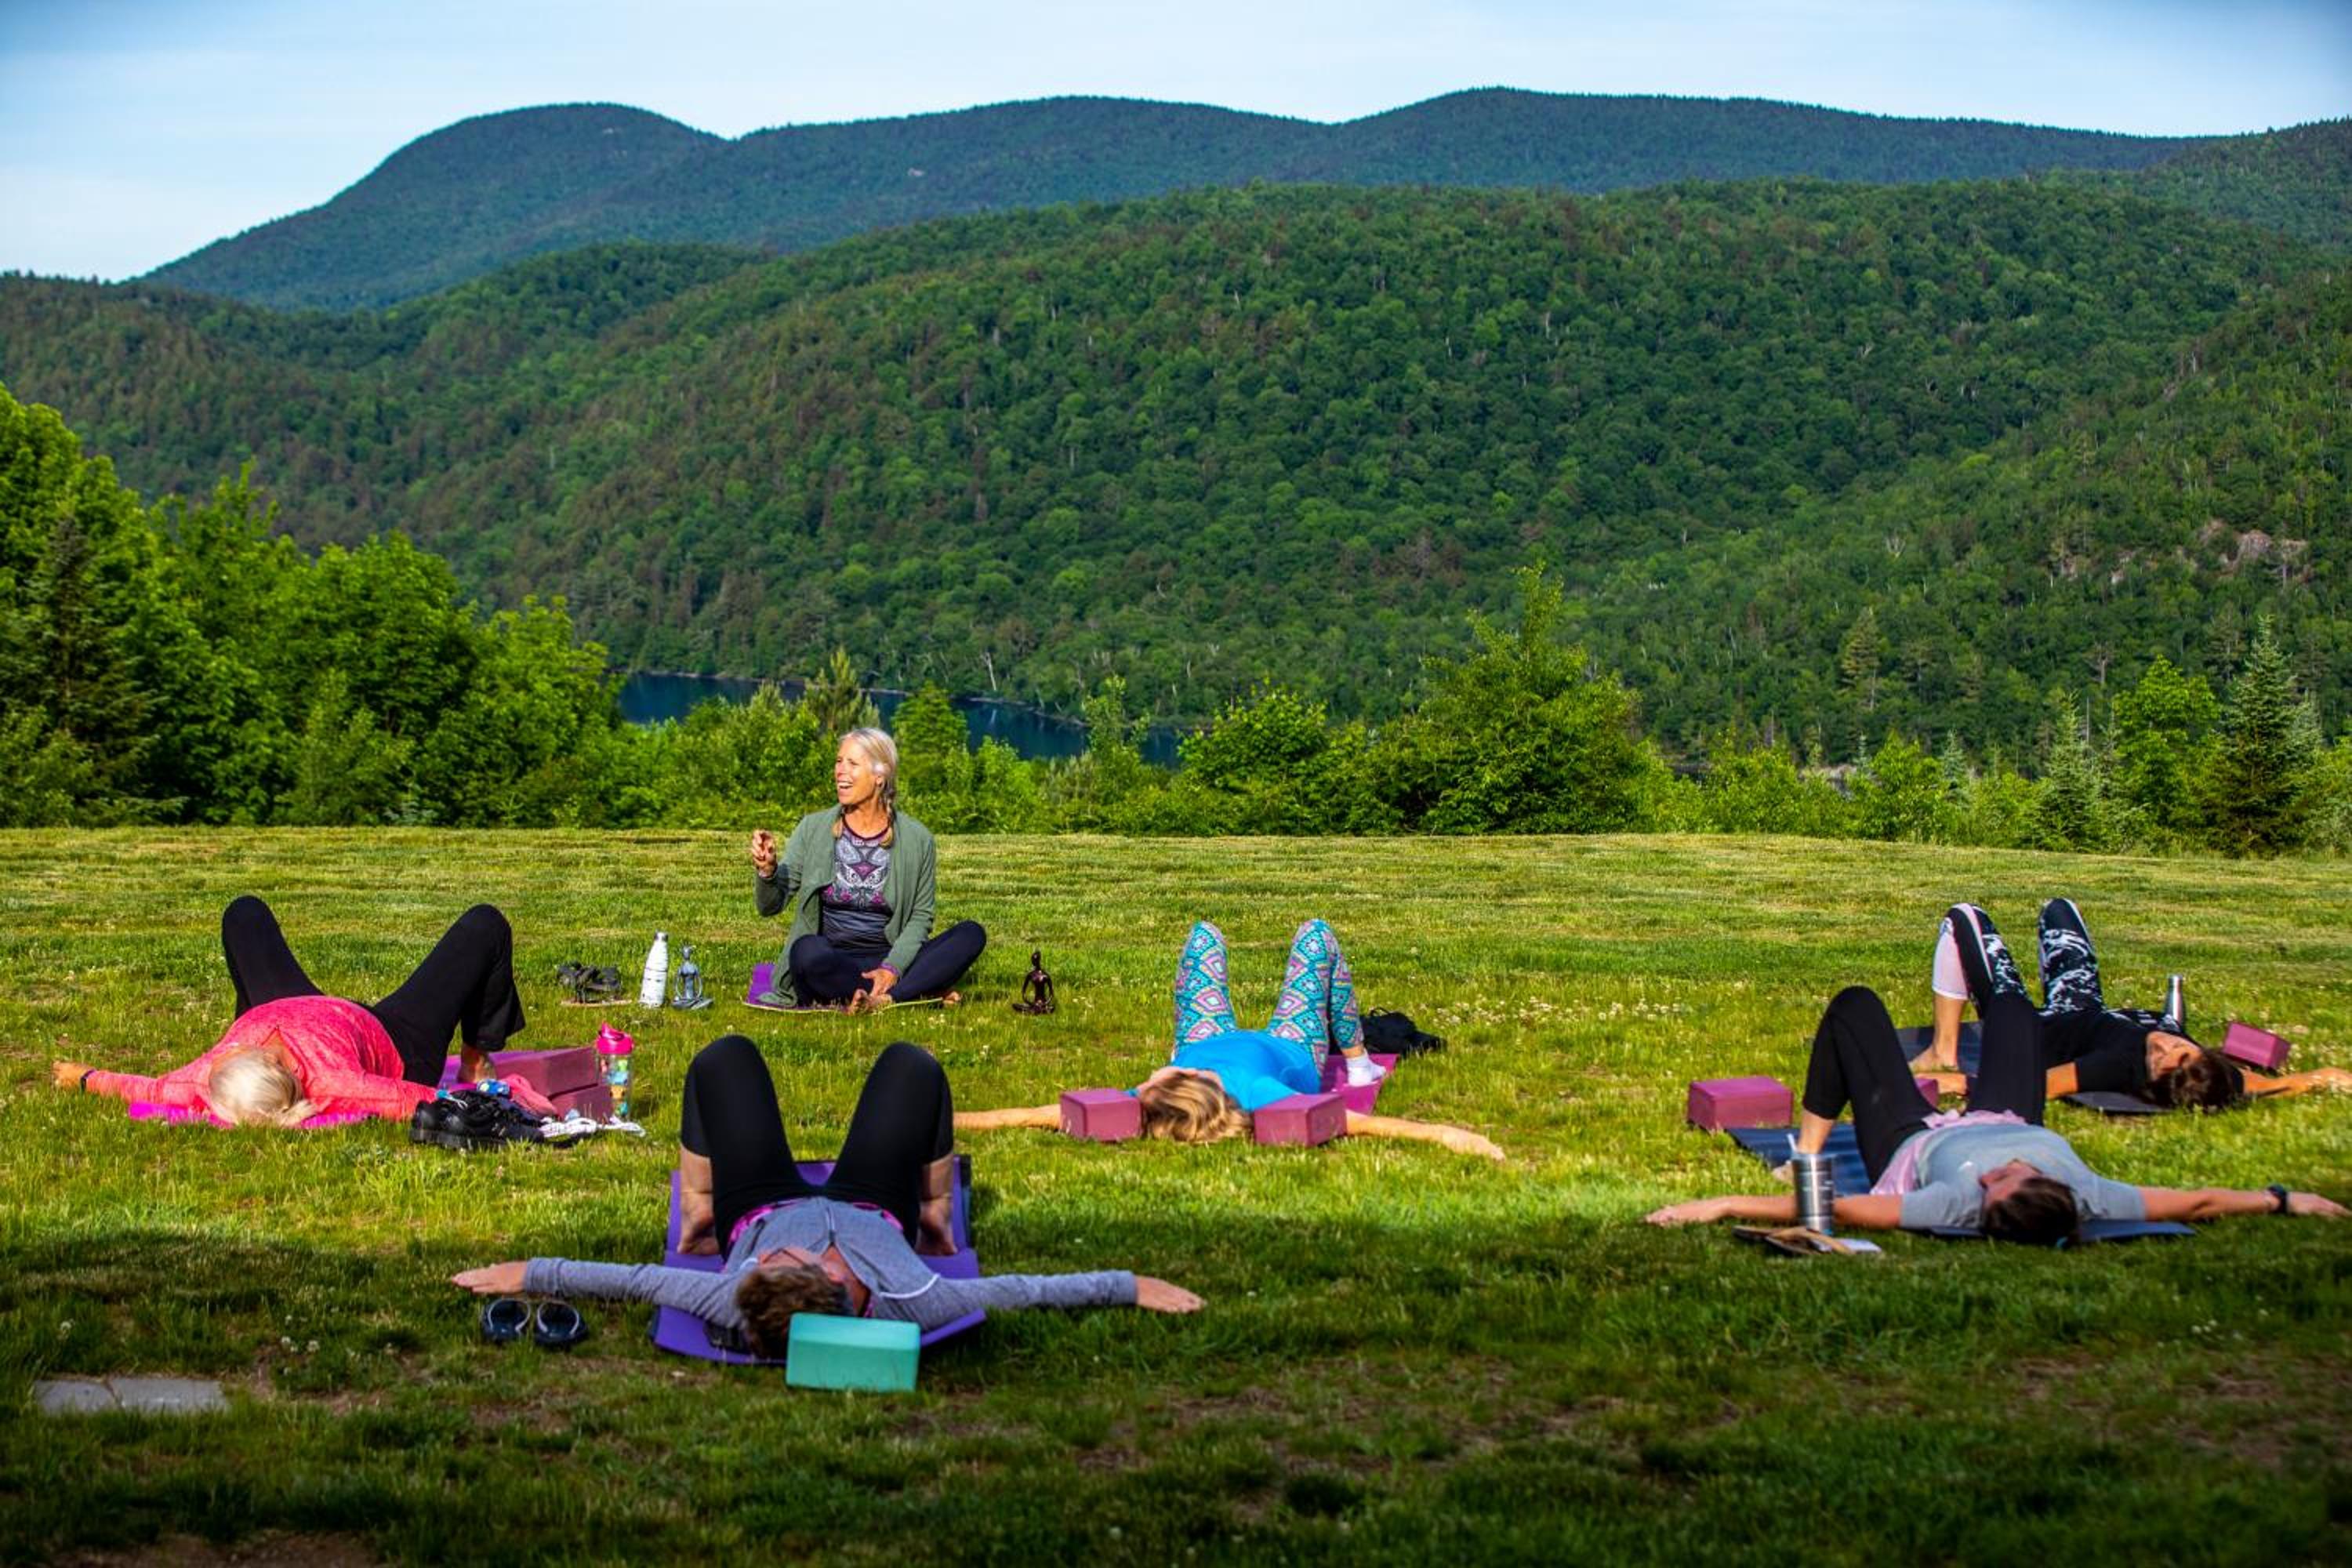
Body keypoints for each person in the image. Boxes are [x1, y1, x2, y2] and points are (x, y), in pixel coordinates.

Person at [452, 1036, 1202, 1353]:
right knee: (911, 1065)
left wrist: (528, 1272)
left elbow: (634, 1280)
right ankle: (937, 1212)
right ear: (834, 1279)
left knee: (724, 1058)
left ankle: (703, 1210)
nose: (766, 1260)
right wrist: (1132, 1286)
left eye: (763, 1264)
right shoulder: (911, 1296)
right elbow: (1026, 1291)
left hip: (759, 1200)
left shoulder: (735, 1293)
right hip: (878, 1202)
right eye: (779, 1262)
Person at [1647, 985, 2345, 1243]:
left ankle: (1804, 1145)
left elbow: (1837, 1210)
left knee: (1855, 1007)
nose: (1988, 1180)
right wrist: (2284, 1200)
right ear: (2045, 1181)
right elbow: (2196, 1201)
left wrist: (1716, 1206)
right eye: (2004, 1181)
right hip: (2012, 1113)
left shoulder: (1955, 1203)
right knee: (2011, 1009)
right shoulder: (2093, 1196)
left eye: (1989, 1194)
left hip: (1910, 1140)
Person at [956, 919, 1506, 1160]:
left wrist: (949, 1120)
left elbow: (1027, 1115)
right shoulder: (1259, 1094)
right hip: (1293, 1045)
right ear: (1188, 1079)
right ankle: (1359, 1060)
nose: (1146, 1079)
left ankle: (1357, 1054)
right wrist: (1448, 1136)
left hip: (1205, 1036)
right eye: (1160, 1076)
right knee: (1315, 937)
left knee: (1204, 937)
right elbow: (1359, 1124)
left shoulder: (1148, 1100)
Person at [52, 895, 526, 1127]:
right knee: (484, 925)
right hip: (391, 1037)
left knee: (245, 913)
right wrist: (496, 1106)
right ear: (278, 1064)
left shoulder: (201, 1081)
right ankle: (476, 1055)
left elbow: (142, 1087)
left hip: (289, 1004)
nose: (220, 1052)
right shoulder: (337, 1083)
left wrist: (84, 1077)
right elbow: (419, 1099)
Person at [1913, 899, 2350, 1108]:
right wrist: (2324, 1076)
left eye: (2159, 1060)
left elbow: (2036, 1085)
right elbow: (2264, 1085)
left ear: (2150, 1076)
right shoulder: (2214, 1075)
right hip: (2081, 1008)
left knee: (1964, 917)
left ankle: (1942, 1049)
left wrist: (1955, 1082)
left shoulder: (2118, 1066)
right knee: (2060, 910)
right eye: (2179, 1048)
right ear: (2203, 1055)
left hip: (2026, 1030)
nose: (2161, 1045)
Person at [750, 728, 985, 1011]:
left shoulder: (918, 839)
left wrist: (892, 968)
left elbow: (921, 917)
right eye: (839, 761)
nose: (840, 771)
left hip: (892, 958)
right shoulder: (813, 828)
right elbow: (769, 907)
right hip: (833, 960)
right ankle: (916, 991)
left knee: (971, 934)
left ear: (879, 776)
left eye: (852, 763)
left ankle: (884, 999)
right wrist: (768, 871)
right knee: (805, 952)